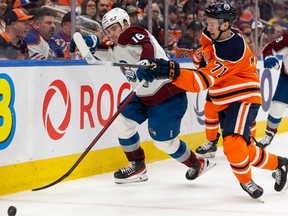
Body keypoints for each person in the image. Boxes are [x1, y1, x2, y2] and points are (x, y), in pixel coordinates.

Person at [139, 2, 288, 199]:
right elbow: (201, 63)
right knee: (245, 149)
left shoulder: (231, 49)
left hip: (242, 98)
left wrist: (170, 71)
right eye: (207, 22)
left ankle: (246, 182)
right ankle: (280, 164)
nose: (207, 27)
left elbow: (200, 81)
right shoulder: (214, 35)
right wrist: (161, 66)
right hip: (222, 100)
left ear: (225, 25)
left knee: (233, 145)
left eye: (211, 23)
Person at [71, 8, 215, 184]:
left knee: (163, 143)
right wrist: (88, 44)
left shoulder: (134, 31)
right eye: (108, 31)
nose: (112, 34)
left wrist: (147, 63)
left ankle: (197, 163)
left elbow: (145, 45)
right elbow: (107, 52)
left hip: (167, 97)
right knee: (121, 122)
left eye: (114, 28)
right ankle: (137, 165)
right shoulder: (118, 46)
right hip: (143, 95)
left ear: (125, 23)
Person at [257, 32, 288, 149]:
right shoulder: (287, 37)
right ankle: (269, 134)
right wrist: (270, 57)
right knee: (277, 107)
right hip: (287, 80)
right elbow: (270, 48)